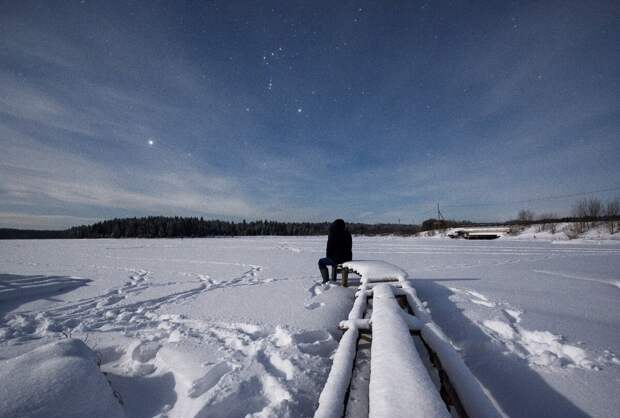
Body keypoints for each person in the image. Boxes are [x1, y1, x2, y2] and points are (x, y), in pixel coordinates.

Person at [318, 219, 352, 283]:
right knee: (334, 260)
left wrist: (329, 257)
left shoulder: (333, 234)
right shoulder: (348, 234)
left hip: (337, 259)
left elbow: (329, 248)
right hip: (347, 258)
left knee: (321, 262)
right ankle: (333, 279)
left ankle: (326, 280)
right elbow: (350, 247)